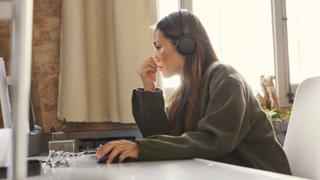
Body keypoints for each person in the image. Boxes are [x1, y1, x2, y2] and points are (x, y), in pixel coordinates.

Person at [96, 9, 292, 175]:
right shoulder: (185, 91)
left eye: (158, 47)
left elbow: (214, 140)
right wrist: (149, 90)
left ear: (186, 45)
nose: (154, 57)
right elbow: (166, 141)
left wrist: (143, 148)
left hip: (259, 175)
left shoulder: (225, 79)